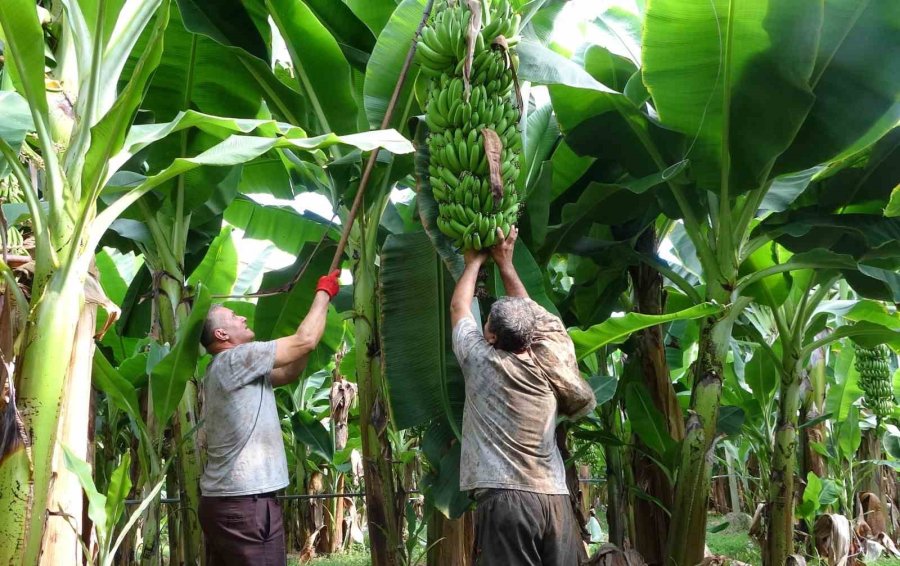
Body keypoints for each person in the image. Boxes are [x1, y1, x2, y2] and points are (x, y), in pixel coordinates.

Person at [450, 226, 597, 566]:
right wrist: (506, 263)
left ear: (491, 336)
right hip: (555, 499)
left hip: (507, 498)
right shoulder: (552, 358)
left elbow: (459, 307)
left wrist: (473, 262)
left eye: (487, 321)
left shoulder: (480, 360)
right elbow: (534, 315)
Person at [197, 269, 341, 565]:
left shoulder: (233, 369)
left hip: (233, 503)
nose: (242, 317)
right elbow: (304, 341)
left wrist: (318, 313)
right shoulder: (235, 359)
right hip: (245, 505)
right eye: (234, 316)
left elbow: (289, 371)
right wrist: (324, 292)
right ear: (221, 335)